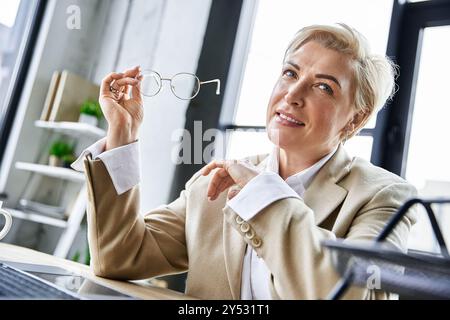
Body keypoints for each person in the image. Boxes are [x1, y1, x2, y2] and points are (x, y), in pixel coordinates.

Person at [72, 23, 417, 300]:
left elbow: (354, 293)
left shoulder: (385, 197)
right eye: (290, 74)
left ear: (355, 120)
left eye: (324, 88)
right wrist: (122, 134)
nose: (293, 95)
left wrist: (265, 197)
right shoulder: (217, 182)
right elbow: (119, 256)